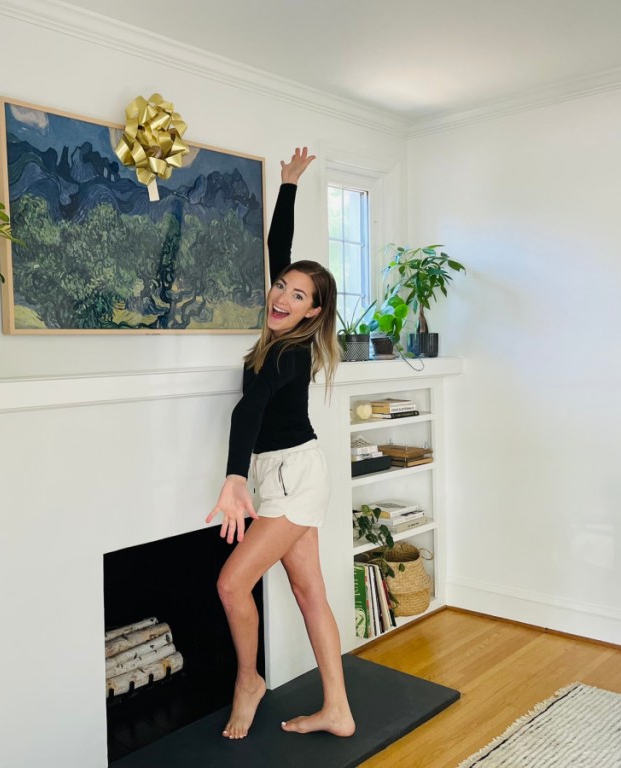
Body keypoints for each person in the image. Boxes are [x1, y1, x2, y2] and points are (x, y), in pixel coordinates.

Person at [205, 147, 355, 740]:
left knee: (230, 582)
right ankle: (337, 709)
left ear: (315, 312)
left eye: (298, 295)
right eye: (281, 287)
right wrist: (288, 185)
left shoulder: (292, 353)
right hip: (283, 470)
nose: (282, 297)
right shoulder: (280, 336)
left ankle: (249, 679)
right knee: (307, 589)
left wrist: (233, 476)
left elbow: (251, 408)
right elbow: (279, 248)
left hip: (291, 476)